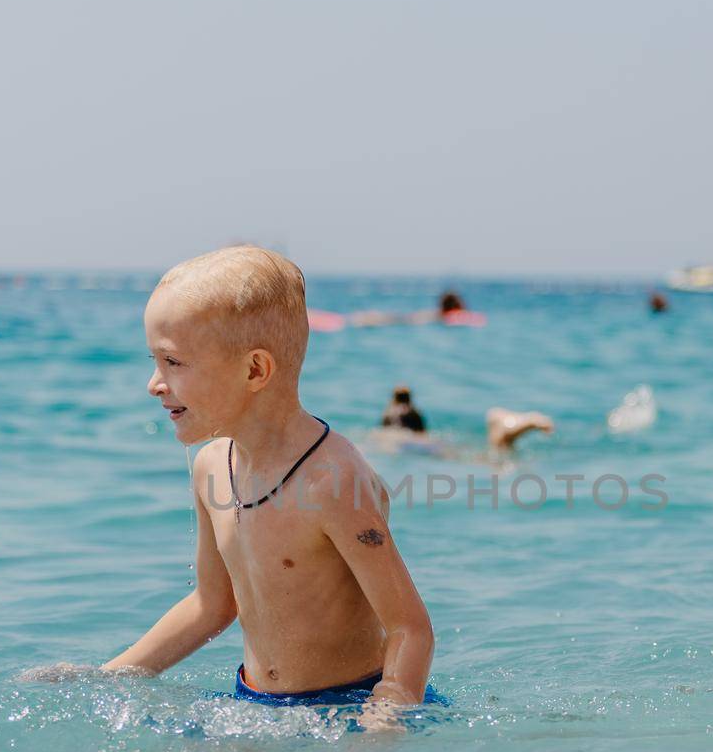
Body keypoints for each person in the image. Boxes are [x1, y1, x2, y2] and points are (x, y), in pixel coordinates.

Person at [23, 246, 436, 717]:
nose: (154, 383)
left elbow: (410, 628)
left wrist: (387, 714)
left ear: (255, 370)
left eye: (173, 362)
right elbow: (212, 604)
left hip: (347, 707)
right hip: (254, 704)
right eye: (155, 362)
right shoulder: (211, 468)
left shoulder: (333, 481)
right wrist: (107, 676)